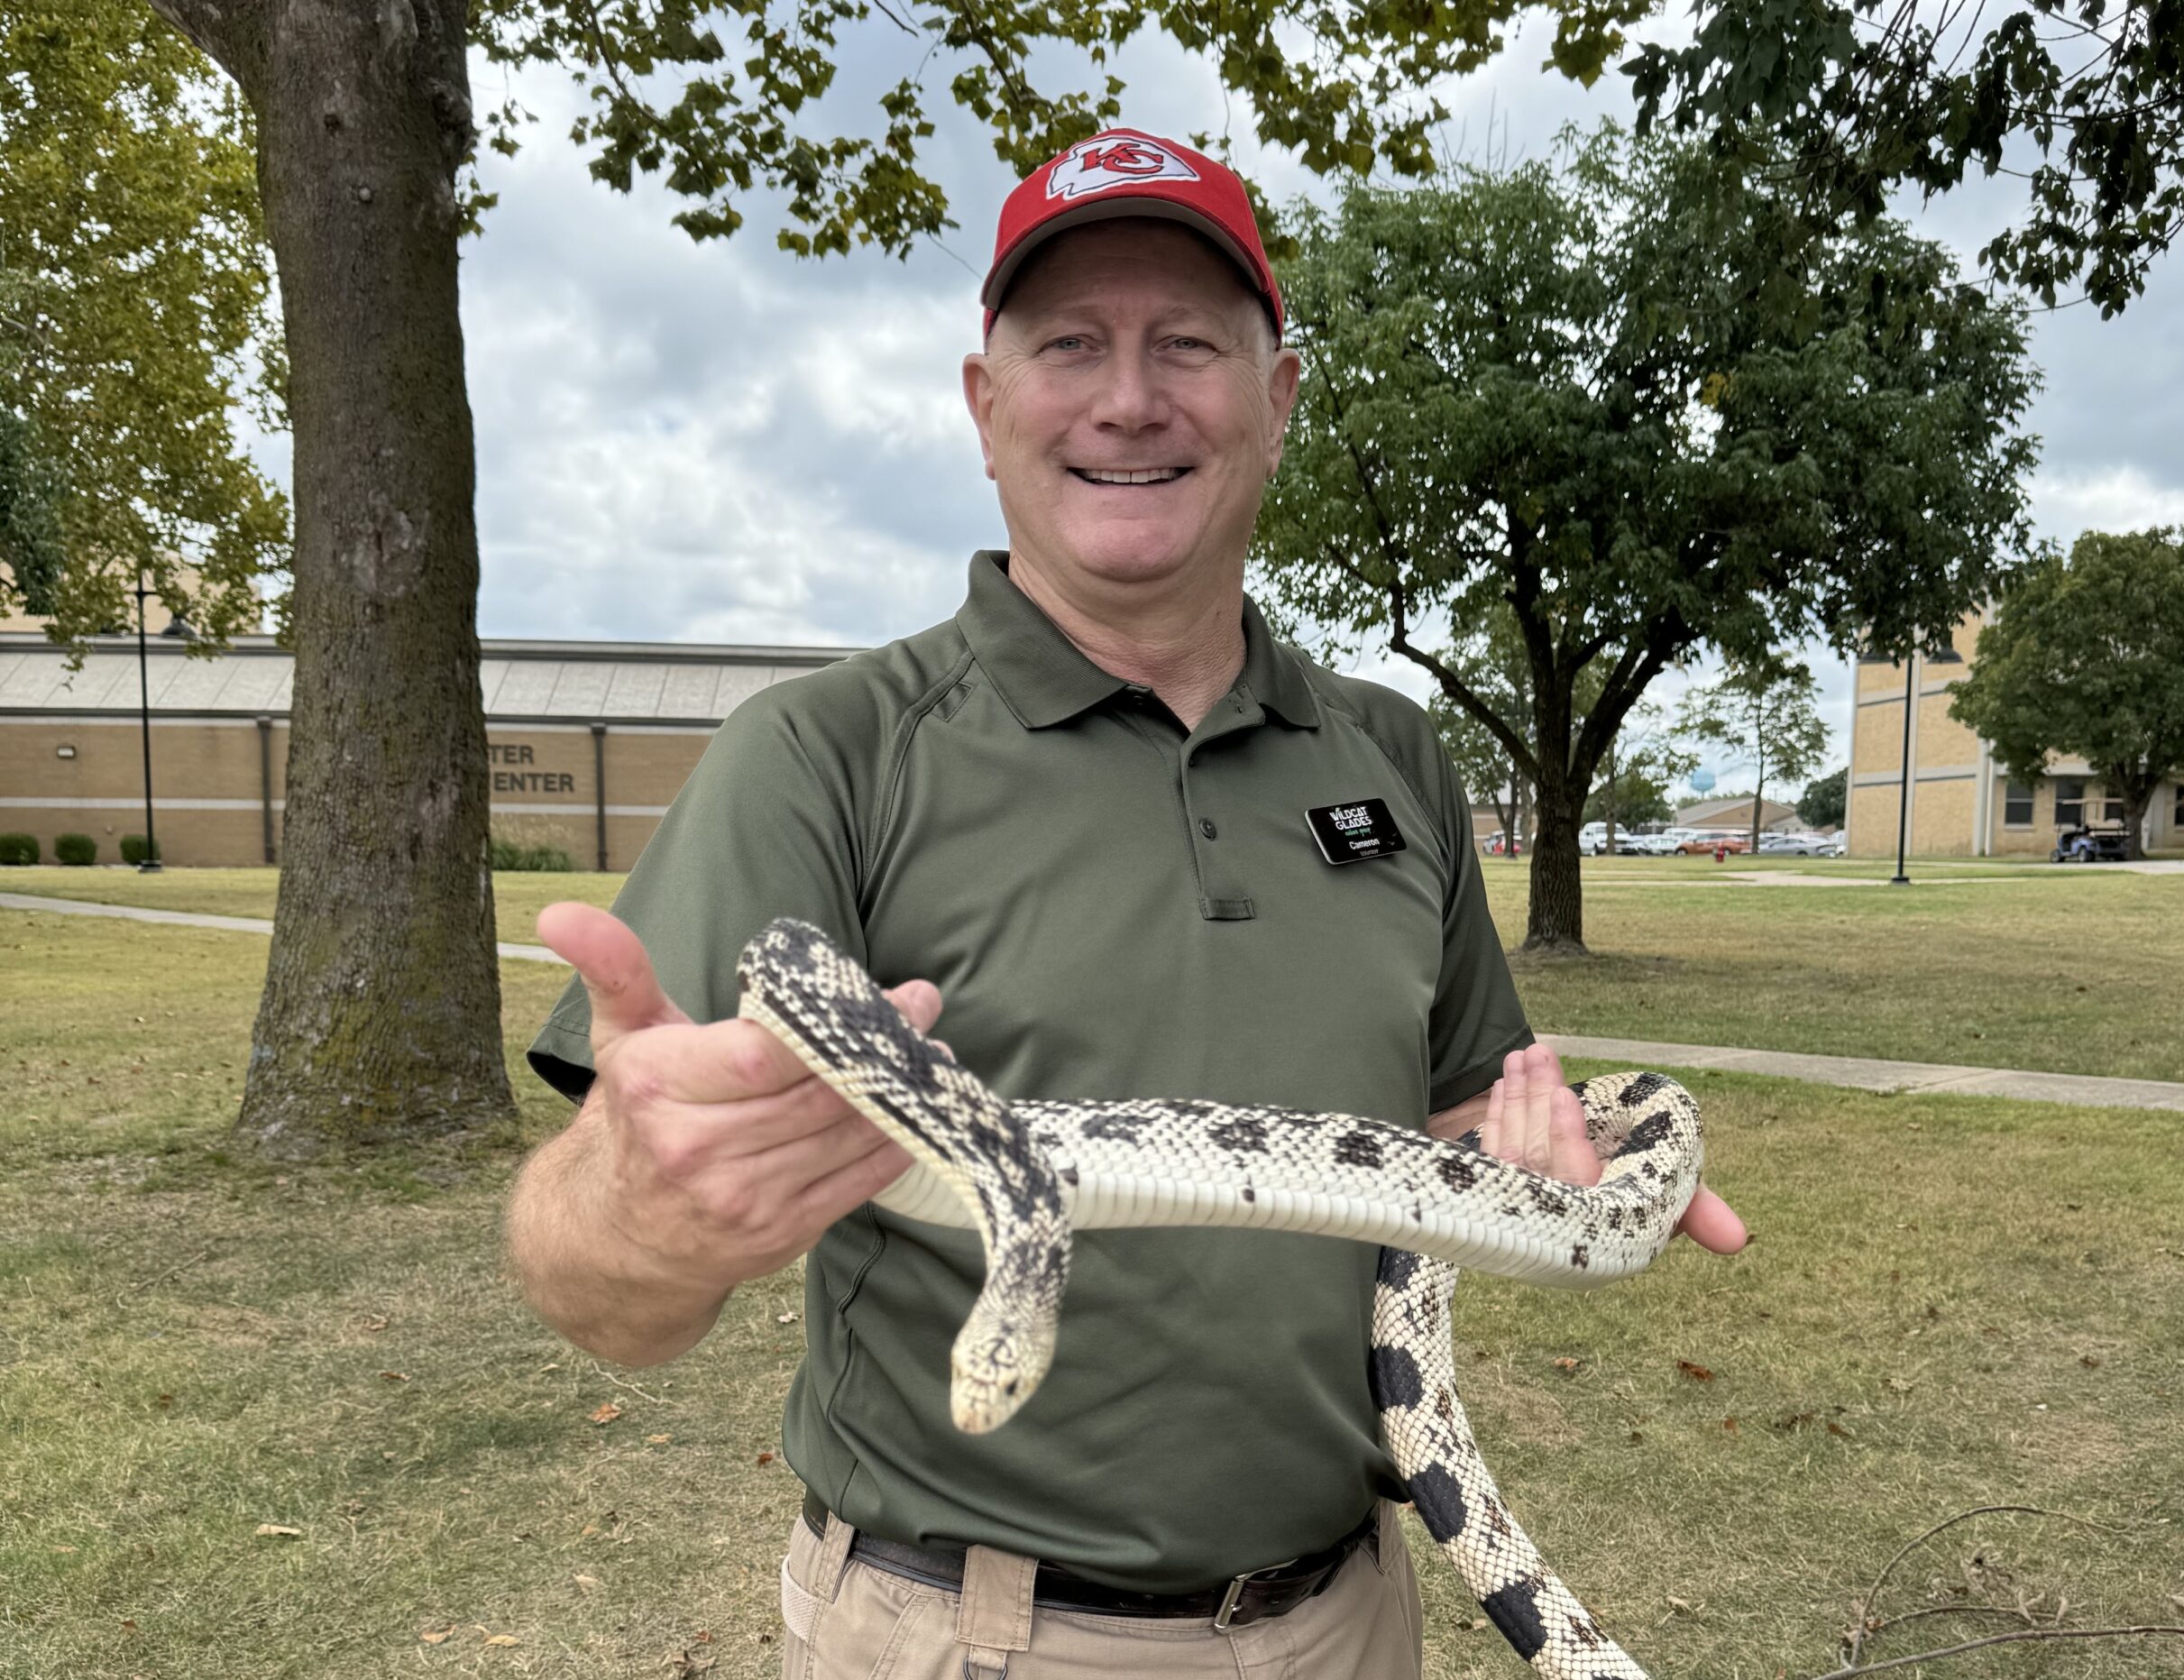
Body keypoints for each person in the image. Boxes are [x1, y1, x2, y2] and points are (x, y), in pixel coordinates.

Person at [505, 126, 1745, 1679]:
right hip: (976, 1635)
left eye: (1189, 345)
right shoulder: (821, 754)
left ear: (1278, 398)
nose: (1129, 397)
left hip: (1350, 1617)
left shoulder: (1394, 754)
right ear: (986, 405)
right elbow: (592, 1290)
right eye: (1070, 344)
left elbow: (1429, 1133)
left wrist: (1541, 1176)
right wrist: (641, 1203)